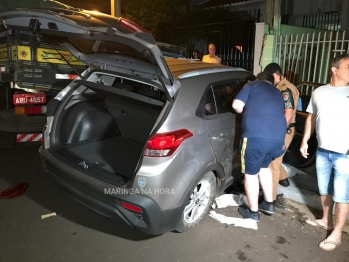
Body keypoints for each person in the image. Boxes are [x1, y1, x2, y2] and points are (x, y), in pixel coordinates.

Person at [300, 54, 349, 251]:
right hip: (322, 151)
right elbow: (311, 117)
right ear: (334, 70)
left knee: (342, 195)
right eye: (347, 66)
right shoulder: (319, 92)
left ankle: (337, 233)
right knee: (324, 190)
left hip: (345, 154)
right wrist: (304, 140)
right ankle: (326, 220)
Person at [232, 71, 287, 221]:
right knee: (264, 168)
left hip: (256, 137)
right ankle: (269, 204)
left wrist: (245, 112)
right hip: (278, 140)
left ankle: (253, 212)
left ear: (258, 79)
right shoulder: (277, 92)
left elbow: (236, 105)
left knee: (250, 174)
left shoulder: (252, 85)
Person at [263, 62, 299, 203]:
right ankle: (283, 178)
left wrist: (279, 133)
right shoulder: (281, 87)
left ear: (273, 75)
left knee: (273, 164)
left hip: (284, 129)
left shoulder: (285, 89)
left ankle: (269, 200)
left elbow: (288, 114)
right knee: (274, 160)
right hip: (282, 128)